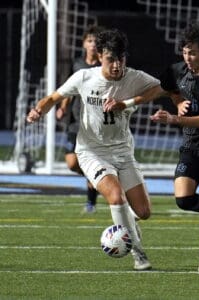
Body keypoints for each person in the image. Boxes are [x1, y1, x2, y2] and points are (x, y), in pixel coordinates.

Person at [27, 28, 162, 271]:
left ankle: (129, 224)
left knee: (143, 212)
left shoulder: (134, 77)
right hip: (91, 152)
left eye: (120, 59)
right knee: (115, 196)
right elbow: (54, 97)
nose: (116, 65)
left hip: (123, 152)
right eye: (111, 59)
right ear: (100, 56)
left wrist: (128, 103)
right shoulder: (83, 77)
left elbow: (159, 88)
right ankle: (138, 254)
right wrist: (38, 110)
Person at [104, 22, 199, 272]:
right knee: (184, 201)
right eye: (185, 51)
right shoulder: (177, 70)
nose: (188, 57)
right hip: (191, 144)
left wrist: (172, 118)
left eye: (193, 52)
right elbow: (157, 91)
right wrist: (127, 103)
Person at [56, 25, 101, 213]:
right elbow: (68, 90)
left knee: (91, 161)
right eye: (90, 41)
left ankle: (91, 202)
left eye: (96, 42)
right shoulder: (76, 65)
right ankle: (99, 177)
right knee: (72, 163)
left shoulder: (104, 66)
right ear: (84, 43)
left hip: (96, 123)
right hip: (75, 121)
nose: (92, 45)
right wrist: (63, 107)